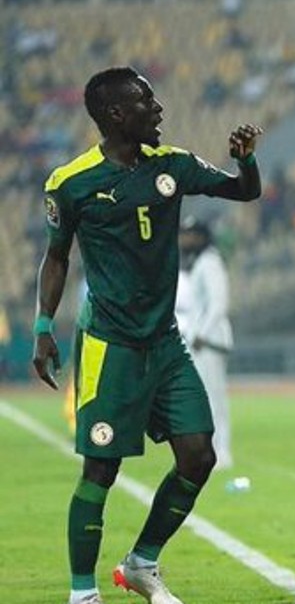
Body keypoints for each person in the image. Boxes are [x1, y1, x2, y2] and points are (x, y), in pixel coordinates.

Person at [33, 67, 262, 604]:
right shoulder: (70, 183)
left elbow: (243, 192)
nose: (158, 110)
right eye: (146, 101)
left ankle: (141, 562)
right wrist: (44, 326)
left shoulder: (173, 166)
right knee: (101, 468)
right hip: (111, 345)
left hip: (165, 342)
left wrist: (244, 158)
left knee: (199, 455)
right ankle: (83, 593)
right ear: (116, 114)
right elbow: (56, 256)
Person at [176, 218, 235, 470]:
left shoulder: (210, 262)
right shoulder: (200, 262)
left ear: (201, 237)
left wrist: (202, 333)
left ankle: (222, 451)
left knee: (214, 399)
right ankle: (212, 449)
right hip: (202, 340)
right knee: (205, 399)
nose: (184, 240)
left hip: (209, 341)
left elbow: (219, 304)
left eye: (189, 235)